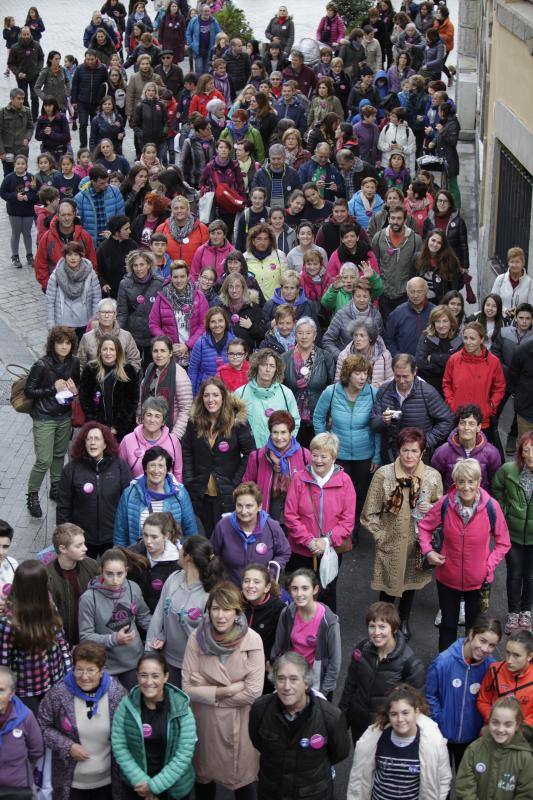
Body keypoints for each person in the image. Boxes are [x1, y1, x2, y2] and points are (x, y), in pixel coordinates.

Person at [182, 580, 264, 799]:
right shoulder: (196, 638)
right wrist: (224, 691)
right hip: (206, 724)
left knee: (244, 784)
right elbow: (187, 688)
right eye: (215, 608)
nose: (220, 615)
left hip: (241, 725)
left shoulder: (253, 639)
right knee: (204, 783)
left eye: (226, 609)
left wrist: (207, 692)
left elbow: (253, 693)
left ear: (237, 612)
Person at [419, 459, 511, 651]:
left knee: (474, 630)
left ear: (479, 482)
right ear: (455, 483)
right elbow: (425, 527)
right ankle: (445, 667)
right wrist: (428, 551)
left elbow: (503, 542)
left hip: (477, 581)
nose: (466, 487)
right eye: (461, 482)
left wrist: (488, 565)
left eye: (471, 481)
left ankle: (470, 667)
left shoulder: (491, 507)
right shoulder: (445, 503)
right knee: (448, 626)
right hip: (447, 578)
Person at [362, 427, 443, 639]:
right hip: (391, 541)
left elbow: (443, 511)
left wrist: (432, 507)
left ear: (422, 453)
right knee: (387, 588)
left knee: (410, 585)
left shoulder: (432, 476)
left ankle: (404, 620)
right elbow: (369, 512)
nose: (409, 455)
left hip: (418, 544)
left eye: (415, 451)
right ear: (398, 450)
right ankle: (384, 624)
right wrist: (380, 537)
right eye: (405, 450)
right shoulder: (383, 474)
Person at [251, 651, 350, 798]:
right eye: (281, 679)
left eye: (293, 679)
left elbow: (339, 753)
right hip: (272, 792)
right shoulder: (260, 709)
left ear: (306, 683)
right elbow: (257, 741)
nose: (286, 686)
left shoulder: (331, 717)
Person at [38, 640, 126, 800]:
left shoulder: (117, 693)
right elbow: (43, 726)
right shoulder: (59, 694)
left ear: (101, 671)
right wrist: (67, 746)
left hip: (108, 782)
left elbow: (127, 733)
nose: (84, 676)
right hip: (70, 784)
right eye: (79, 670)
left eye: (91, 670)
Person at [284, 433, 356, 612]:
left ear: (333, 457)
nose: (318, 460)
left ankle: (326, 631)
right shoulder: (299, 479)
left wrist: (326, 541)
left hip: (331, 550)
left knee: (327, 592)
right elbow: (291, 516)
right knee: (300, 593)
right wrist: (309, 541)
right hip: (301, 550)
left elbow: (348, 520)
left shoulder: (345, 481)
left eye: (324, 456)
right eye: (315, 454)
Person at [111, 650, 196, 799]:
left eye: (155, 676)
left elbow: (184, 754)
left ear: (166, 677)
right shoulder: (126, 705)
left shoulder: (181, 709)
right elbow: (119, 745)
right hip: (137, 788)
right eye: (143, 675)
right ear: (137, 676)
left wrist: (153, 786)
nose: (149, 682)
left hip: (173, 789)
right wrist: (142, 783)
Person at [339, 601, 425, 746]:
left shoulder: (411, 664)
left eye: (382, 626)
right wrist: (341, 723)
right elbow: (350, 685)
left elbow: (417, 706)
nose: (376, 632)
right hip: (360, 726)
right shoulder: (361, 649)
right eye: (372, 626)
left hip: (388, 731)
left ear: (394, 628)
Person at [426, 614, 503, 773]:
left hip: (472, 739)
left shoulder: (491, 667)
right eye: (482, 641)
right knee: (440, 787)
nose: (485, 649)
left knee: (467, 786)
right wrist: (440, 720)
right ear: (471, 634)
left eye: (492, 645)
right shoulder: (443, 661)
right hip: (442, 736)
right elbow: (429, 695)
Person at [347, 684, 452, 800]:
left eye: (405, 713)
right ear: (388, 715)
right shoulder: (374, 739)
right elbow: (358, 778)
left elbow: (443, 778)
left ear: (416, 712)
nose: (400, 719)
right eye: (394, 714)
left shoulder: (433, 742)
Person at [314, 355, 380, 537]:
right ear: (347, 374)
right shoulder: (332, 391)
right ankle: (335, 529)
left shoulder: (374, 393)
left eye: (365, 373)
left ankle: (353, 529)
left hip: (364, 454)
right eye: (357, 373)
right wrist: (324, 444)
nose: (362, 377)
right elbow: (318, 417)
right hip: (338, 453)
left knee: (359, 494)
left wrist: (377, 455)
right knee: (336, 493)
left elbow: (377, 427)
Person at [146, 535, 225, 687]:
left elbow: (210, 637)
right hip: (168, 661)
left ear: (188, 557)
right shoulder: (173, 579)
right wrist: (150, 653)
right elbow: (158, 616)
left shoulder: (210, 593)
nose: (177, 551)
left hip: (195, 666)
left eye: (180, 549)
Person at [182, 377, 255, 534]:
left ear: (223, 397)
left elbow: (251, 453)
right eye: (206, 395)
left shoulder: (237, 422)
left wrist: (236, 481)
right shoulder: (194, 421)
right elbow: (187, 450)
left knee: (225, 539)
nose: (210, 400)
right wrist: (189, 479)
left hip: (227, 492)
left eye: (215, 395)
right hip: (200, 492)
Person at [0, 559, 72, 713]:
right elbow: (3, 662)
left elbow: (61, 642)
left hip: (55, 681)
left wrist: (69, 673)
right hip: (26, 691)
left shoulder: (49, 604)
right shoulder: (9, 621)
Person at [24, 325, 80, 518]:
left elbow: (77, 386)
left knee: (59, 455)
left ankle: (55, 488)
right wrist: (52, 389)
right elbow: (29, 391)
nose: (64, 346)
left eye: (68, 343)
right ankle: (32, 495)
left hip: (63, 416)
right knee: (43, 460)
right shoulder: (41, 365)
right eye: (60, 342)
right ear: (52, 344)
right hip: (44, 417)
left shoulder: (74, 362)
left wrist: (74, 391)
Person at [56, 419, 132, 559]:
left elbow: (129, 502)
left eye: (97, 439)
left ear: (105, 444)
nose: (92, 442)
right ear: (83, 443)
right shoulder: (71, 469)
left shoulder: (120, 467)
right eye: (89, 439)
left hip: (113, 537)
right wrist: (64, 537)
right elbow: (63, 506)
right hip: (81, 539)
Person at [78, 548, 151, 690]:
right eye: (109, 574)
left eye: (120, 574)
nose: (115, 580)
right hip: (106, 666)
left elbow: (144, 617)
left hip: (134, 662)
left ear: (126, 570)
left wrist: (158, 634)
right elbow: (85, 637)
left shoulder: (133, 588)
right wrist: (114, 639)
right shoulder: (88, 599)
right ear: (101, 571)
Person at [271, 567, 341, 698]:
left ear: (315, 590)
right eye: (294, 588)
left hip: (316, 681)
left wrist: (324, 692)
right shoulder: (287, 613)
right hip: (291, 677)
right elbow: (278, 647)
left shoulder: (329, 621)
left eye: (305, 588)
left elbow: (335, 661)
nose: (299, 594)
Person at [371, 353, 453, 462]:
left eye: (405, 376)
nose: (401, 381)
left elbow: (447, 420)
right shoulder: (384, 390)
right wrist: (383, 420)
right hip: (392, 454)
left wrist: (425, 441)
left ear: (415, 372)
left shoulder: (427, 392)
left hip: (419, 456)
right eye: (397, 376)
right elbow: (373, 422)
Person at [114, 446, 197, 547]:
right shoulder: (129, 494)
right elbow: (120, 535)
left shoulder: (180, 494)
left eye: (161, 466)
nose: (156, 470)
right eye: (152, 465)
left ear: (167, 470)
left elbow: (191, 532)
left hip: (172, 559)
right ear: (145, 468)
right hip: (138, 559)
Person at [211, 481, 291, 586]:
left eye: (249, 506)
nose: (244, 511)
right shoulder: (224, 525)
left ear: (259, 506)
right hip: (231, 590)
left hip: (261, 590)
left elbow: (284, 552)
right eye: (239, 505)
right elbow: (212, 554)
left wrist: (270, 573)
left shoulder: (272, 527)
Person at [492, 433, 533, 634]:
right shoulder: (509, 470)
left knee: (531, 576)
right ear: (521, 452)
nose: (530, 455)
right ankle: (513, 613)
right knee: (514, 574)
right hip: (513, 534)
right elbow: (496, 489)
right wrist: (504, 511)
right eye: (526, 450)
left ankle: (526, 612)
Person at [456, 696, 533, 800]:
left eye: (508, 725)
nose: (500, 729)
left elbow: (526, 794)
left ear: (517, 726)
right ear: (489, 721)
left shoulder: (525, 758)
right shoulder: (474, 749)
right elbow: (464, 787)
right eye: (495, 722)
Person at [242, 410, 311, 525]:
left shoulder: (305, 455)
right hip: (266, 519)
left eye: (283, 432)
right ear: (270, 433)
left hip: (297, 519)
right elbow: (247, 487)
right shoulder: (257, 457)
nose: (279, 437)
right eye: (275, 432)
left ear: (291, 433)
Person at [443, 321, 506, 439]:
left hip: (482, 420)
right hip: (458, 418)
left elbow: (500, 388)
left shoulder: (494, 362)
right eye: (465, 338)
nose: (468, 342)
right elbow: (446, 383)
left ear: (481, 339)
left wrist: (490, 407)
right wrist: (452, 403)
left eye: (472, 338)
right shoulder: (453, 359)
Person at [281, 317, 335, 447]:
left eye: (308, 333)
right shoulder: (284, 358)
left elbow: (332, 387)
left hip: (318, 417)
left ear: (315, 335)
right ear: (295, 335)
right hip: (292, 418)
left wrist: (330, 414)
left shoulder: (325, 357)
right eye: (300, 333)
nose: (304, 337)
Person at [44, 523, 98, 649]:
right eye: (79, 545)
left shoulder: (92, 566)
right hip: (61, 642)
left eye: (84, 543)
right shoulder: (46, 577)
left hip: (90, 637)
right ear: (63, 549)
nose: (85, 548)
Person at [234, 349, 300, 448]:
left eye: (272, 366)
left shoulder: (286, 393)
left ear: (276, 370)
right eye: (264, 364)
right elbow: (232, 424)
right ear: (256, 367)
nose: (267, 369)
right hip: (250, 453)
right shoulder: (240, 394)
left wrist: (284, 444)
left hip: (279, 451)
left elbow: (295, 421)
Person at [79, 336, 139, 440]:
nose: (108, 353)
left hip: (123, 430)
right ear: (100, 351)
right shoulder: (90, 370)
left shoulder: (128, 371)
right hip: (98, 430)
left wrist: (118, 427)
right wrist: (98, 427)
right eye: (105, 349)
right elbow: (85, 401)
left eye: (112, 349)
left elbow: (131, 402)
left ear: (118, 352)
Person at [432, 404, 502, 492]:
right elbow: (435, 480)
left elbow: (495, 483)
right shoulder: (442, 452)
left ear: (478, 427)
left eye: (471, 424)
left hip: (480, 502)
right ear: (457, 426)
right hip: (451, 502)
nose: (466, 427)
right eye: (462, 423)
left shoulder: (491, 453)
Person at [372, 206, 423, 322]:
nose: (395, 222)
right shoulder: (378, 238)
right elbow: (375, 264)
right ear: (388, 219)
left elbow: (419, 267)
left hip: (405, 294)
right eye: (393, 218)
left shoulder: (415, 240)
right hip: (384, 294)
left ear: (405, 220)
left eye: (399, 218)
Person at [138, 336, 193, 442]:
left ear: (170, 353)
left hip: (171, 432)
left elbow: (186, 410)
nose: (159, 355)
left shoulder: (179, 374)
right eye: (155, 351)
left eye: (163, 351)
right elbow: (142, 399)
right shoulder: (150, 369)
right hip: (148, 430)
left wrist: (174, 436)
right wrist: (139, 414)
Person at [0, 664, 43, 798]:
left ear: (12, 693)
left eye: (1, 690)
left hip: (17, 787)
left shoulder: (25, 716)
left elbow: (36, 750)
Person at [241, 563, 285, 693]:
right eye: (246, 581)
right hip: (239, 666)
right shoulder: (237, 603)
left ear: (267, 587)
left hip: (264, 670)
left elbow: (283, 643)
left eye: (256, 582)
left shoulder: (278, 609)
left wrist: (272, 662)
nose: (250, 586)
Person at [35, 199, 97, 290]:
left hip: (81, 287)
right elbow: (40, 263)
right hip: (56, 287)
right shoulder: (47, 238)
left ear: (74, 215)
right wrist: (48, 284)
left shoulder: (84, 236)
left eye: (69, 214)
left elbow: (92, 261)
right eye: (63, 215)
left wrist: (90, 282)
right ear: (58, 216)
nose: (67, 218)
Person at [116, 250, 163, 367]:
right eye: (135, 265)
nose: (139, 268)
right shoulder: (124, 283)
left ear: (148, 265)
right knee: (131, 368)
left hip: (152, 334)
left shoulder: (160, 283)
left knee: (151, 368)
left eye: (142, 264)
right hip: (132, 333)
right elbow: (122, 312)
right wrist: (117, 333)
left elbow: (163, 311)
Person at [120, 396, 183, 483]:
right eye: (149, 415)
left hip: (166, 494)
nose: (152, 420)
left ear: (163, 421)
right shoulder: (127, 441)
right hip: (136, 493)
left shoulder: (173, 441)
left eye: (157, 416)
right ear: (143, 417)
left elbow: (178, 473)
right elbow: (120, 472)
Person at [46, 241, 101, 338]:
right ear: (65, 256)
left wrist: (94, 321)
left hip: (84, 324)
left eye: (76, 254)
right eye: (69, 254)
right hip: (63, 324)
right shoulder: (56, 274)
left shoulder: (90, 273)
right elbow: (50, 302)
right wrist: (51, 325)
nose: (73, 258)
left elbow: (96, 299)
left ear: (81, 256)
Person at [477, 631, 533, 724]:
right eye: (507, 653)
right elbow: (483, 701)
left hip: (523, 735)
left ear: (530, 656)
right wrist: (494, 720)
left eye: (516, 655)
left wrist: (518, 728)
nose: (509, 660)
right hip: (493, 731)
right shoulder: (494, 669)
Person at [78, 298, 141, 371]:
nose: (106, 316)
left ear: (115, 315)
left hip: (121, 379)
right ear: (97, 315)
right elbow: (80, 365)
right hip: (93, 380)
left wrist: (125, 378)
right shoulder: (87, 338)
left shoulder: (126, 336)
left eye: (110, 312)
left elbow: (135, 362)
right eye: (103, 312)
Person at [0, 152, 37, 269]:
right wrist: (15, 197)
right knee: (16, 234)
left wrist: (29, 197)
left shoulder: (31, 177)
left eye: (23, 164)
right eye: (18, 163)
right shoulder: (9, 178)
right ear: (14, 164)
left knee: (27, 234)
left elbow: (37, 194)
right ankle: (15, 256)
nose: (20, 166)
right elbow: (2, 193)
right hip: (14, 211)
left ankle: (29, 255)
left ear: (26, 165)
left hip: (28, 211)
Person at [415, 304, 462, 393]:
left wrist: (433, 357)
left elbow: (457, 363)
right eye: (437, 321)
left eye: (445, 321)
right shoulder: (426, 336)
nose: (441, 325)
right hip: (428, 386)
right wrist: (445, 367)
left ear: (451, 322)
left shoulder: (458, 338)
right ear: (433, 323)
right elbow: (420, 363)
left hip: (451, 387)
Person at [75, 165, 126, 247]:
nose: (106, 185)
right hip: (90, 244)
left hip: (112, 241)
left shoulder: (115, 192)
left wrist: (115, 234)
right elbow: (78, 224)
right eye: (102, 183)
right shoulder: (80, 198)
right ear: (92, 181)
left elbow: (121, 217)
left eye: (107, 181)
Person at [334, 318, 393, 387]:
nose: (358, 339)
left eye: (362, 335)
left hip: (378, 395)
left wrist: (377, 386)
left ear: (370, 338)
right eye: (355, 335)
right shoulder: (344, 356)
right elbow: (338, 383)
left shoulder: (384, 355)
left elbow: (391, 380)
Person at [70, 50, 109, 149]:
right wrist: (74, 101)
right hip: (82, 102)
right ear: (85, 58)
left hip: (97, 103)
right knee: (82, 124)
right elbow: (74, 85)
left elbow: (106, 84)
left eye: (92, 59)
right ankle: (83, 146)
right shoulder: (79, 69)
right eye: (88, 59)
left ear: (96, 58)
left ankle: (94, 146)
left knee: (95, 125)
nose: (90, 62)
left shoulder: (103, 68)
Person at [155, 194, 209, 264]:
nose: (179, 211)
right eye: (176, 208)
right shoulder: (161, 228)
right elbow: (156, 253)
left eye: (182, 208)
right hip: (169, 273)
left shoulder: (202, 229)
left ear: (188, 210)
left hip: (194, 273)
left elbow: (207, 254)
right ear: (172, 211)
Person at [7, 26, 44, 120]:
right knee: (23, 99)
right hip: (21, 77)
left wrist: (38, 69)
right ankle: (27, 117)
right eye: (24, 34)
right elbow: (11, 63)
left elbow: (41, 58)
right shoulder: (15, 47)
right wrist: (17, 73)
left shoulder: (36, 45)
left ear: (30, 34)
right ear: (21, 35)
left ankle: (35, 118)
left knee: (35, 97)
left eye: (28, 34)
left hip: (34, 76)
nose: (26, 36)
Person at [0, 88, 34, 177]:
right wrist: (1, 152)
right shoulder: (2, 112)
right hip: (8, 150)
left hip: (22, 149)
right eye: (19, 98)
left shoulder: (27, 111)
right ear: (12, 98)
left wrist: (27, 137)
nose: (21, 101)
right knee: (8, 175)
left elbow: (30, 127)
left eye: (23, 98)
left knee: (23, 175)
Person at [186, 5, 221, 77]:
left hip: (209, 50)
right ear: (201, 12)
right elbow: (188, 33)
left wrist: (218, 47)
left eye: (208, 11)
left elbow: (220, 34)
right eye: (205, 11)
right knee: (199, 70)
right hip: (198, 50)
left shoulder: (213, 21)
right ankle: (199, 86)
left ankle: (206, 87)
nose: (207, 13)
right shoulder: (194, 20)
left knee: (206, 70)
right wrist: (191, 44)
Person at [35, 95, 70, 161]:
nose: (47, 108)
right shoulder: (41, 118)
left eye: (50, 106)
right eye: (45, 105)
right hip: (46, 150)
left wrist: (51, 133)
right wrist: (44, 132)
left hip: (60, 150)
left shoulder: (62, 117)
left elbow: (66, 137)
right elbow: (37, 137)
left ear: (54, 106)